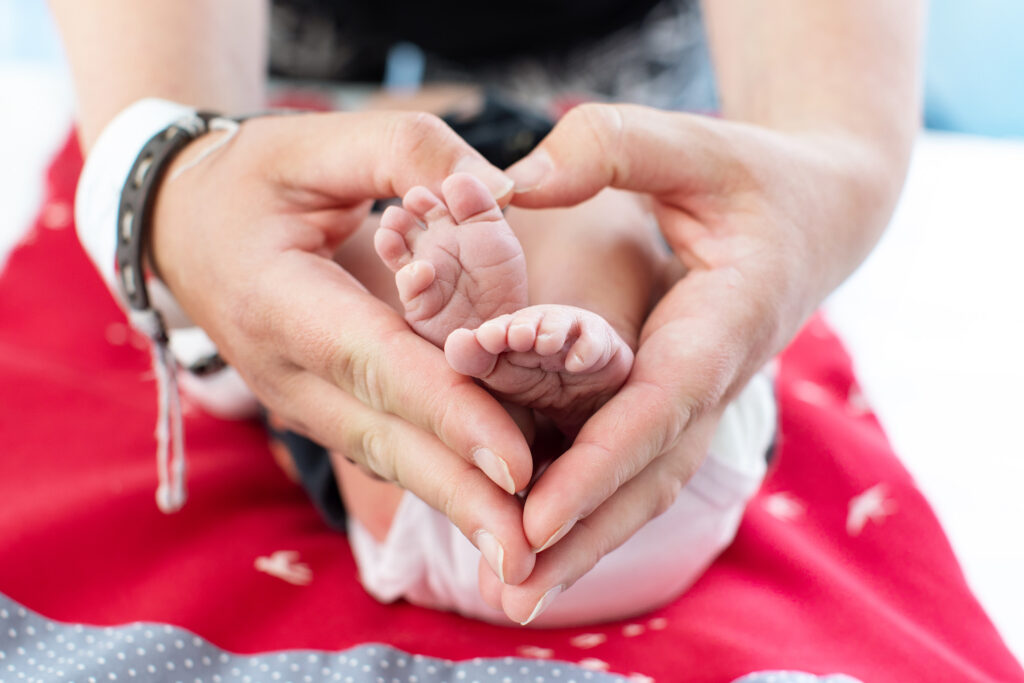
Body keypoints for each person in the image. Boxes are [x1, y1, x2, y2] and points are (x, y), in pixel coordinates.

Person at [51, 0, 923, 626]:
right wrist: (177, 178)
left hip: (540, 124)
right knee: (601, 219)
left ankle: (473, 366)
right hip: (578, 185)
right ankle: (563, 371)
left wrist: (175, 179)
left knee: (326, 292)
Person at [322, 170, 775, 625]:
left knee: (327, 291)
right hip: (680, 483)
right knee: (586, 199)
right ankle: (587, 326)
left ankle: (470, 384)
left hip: (430, 518)